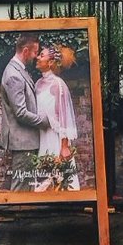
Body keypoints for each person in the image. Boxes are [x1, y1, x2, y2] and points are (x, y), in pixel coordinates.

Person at [0, 33, 49, 191]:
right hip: (23, 143)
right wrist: (44, 121)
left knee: (26, 186)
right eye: (35, 52)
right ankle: (16, 215)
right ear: (26, 51)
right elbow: (20, 113)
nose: (36, 56)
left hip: (25, 141)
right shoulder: (14, 75)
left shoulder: (19, 70)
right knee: (20, 188)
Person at [34, 44, 80, 190]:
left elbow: (64, 117)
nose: (37, 57)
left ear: (51, 62)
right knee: (44, 173)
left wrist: (64, 146)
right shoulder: (37, 84)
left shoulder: (58, 85)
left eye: (41, 55)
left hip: (56, 139)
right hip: (43, 137)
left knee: (61, 176)